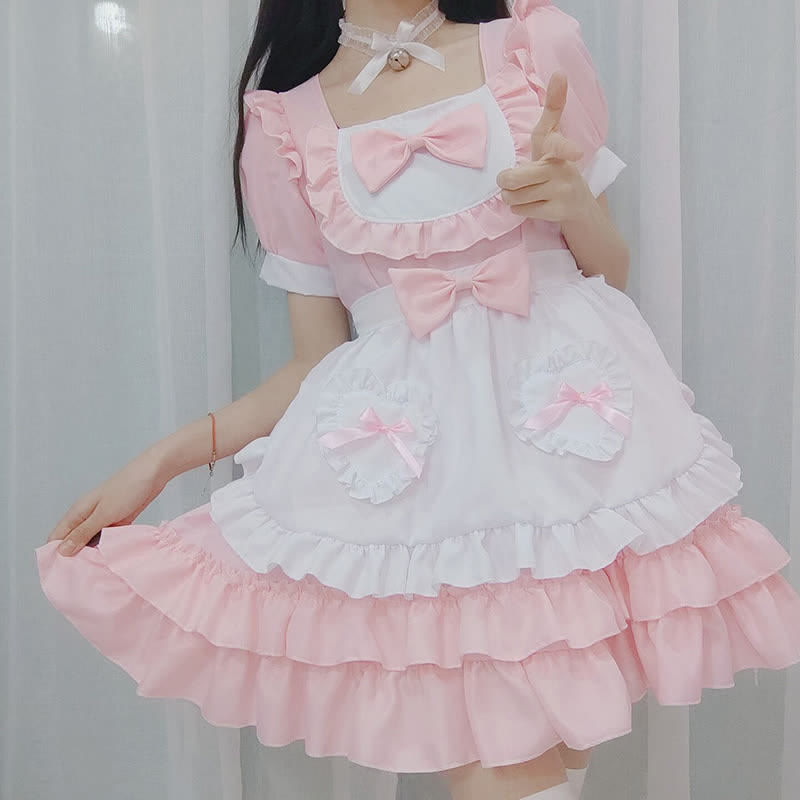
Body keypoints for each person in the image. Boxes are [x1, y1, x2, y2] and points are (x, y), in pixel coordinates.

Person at [36, 1, 800, 798]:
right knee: (514, 772)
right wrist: (160, 461)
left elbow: (607, 270)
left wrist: (574, 203)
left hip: (563, 465)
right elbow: (310, 364)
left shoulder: (533, 45)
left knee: (546, 770)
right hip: (420, 491)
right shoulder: (287, 126)